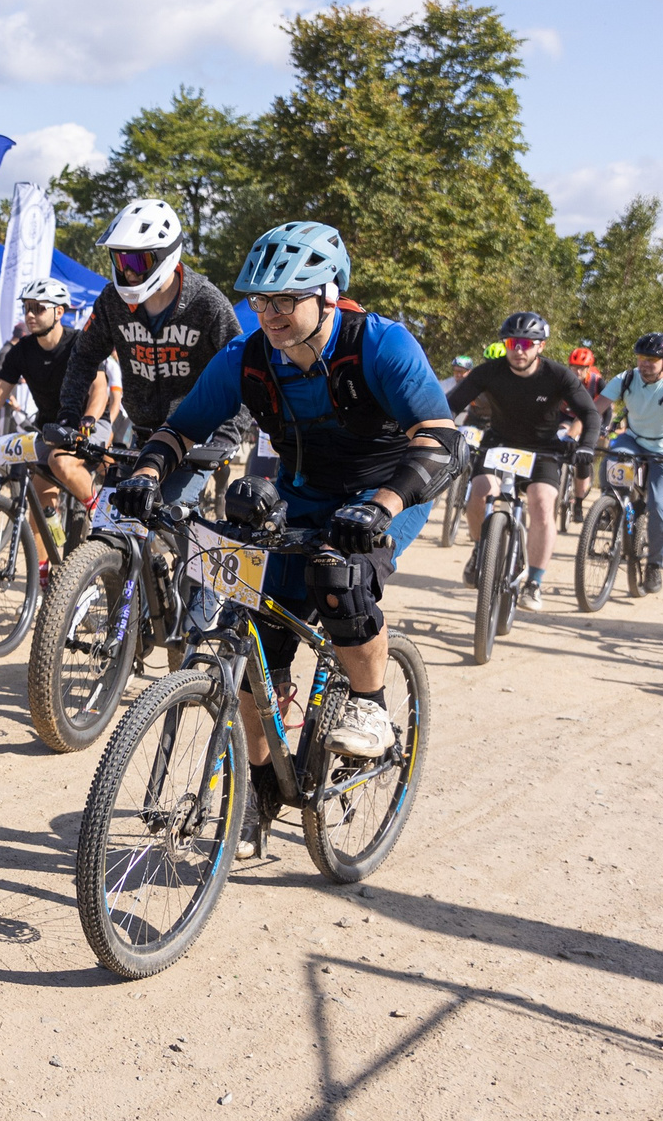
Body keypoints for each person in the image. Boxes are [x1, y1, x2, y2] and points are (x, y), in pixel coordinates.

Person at [124, 221, 457, 826]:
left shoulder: (380, 344)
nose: (269, 315)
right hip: (302, 494)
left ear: (328, 294)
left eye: (285, 300)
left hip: (386, 491)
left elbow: (442, 441)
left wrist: (381, 507)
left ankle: (371, 704)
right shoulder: (247, 357)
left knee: (338, 575)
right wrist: (147, 475)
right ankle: (262, 788)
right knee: (255, 637)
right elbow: (181, 429)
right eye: (260, 301)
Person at [44, 199, 243, 508]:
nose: (128, 272)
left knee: (168, 513)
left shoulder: (207, 303)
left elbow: (241, 368)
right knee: (116, 516)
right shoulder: (111, 300)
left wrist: (226, 437)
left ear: (166, 256)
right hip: (142, 436)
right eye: (119, 260)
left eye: (138, 262)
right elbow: (84, 356)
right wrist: (69, 414)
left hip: (194, 439)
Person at [445, 310, 597, 609]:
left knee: (542, 503)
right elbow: (450, 405)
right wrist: (443, 433)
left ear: (541, 346)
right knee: (479, 494)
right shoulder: (489, 371)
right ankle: (480, 549)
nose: (518, 350)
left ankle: (534, 582)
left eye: (526, 344)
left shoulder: (558, 375)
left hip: (543, 449)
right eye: (512, 343)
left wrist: (587, 447)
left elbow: (590, 413)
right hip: (499, 443)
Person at [0, 276, 108, 550]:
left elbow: (100, 388)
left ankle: (106, 518)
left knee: (60, 462)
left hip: (90, 423)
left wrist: (89, 418)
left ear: (59, 311)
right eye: (27, 308)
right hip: (50, 429)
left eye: (38, 308)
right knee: (40, 503)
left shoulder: (79, 342)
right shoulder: (21, 351)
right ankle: (45, 571)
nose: (30, 314)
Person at [599, 332, 663, 593]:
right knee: (613, 456)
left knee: (657, 504)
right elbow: (596, 407)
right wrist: (579, 433)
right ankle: (608, 507)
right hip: (634, 439)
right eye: (641, 357)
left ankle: (654, 565)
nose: (644, 363)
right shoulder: (626, 378)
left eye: (652, 359)